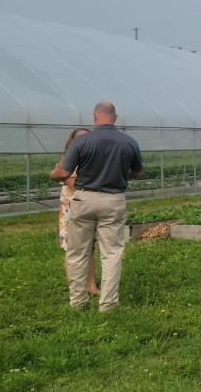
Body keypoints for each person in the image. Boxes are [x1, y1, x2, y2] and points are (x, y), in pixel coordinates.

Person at [50, 102, 143, 312]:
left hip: (84, 199)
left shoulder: (82, 141)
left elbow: (64, 173)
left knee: (77, 253)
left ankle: (78, 302)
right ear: (115, 117)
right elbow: (137, 173)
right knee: (111, 253)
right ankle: (108, 304)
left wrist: (52, 174)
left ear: (94, 117)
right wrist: (120, 172)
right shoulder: (129, 142)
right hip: (114, 200)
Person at [54, 127, 99, 295]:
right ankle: (76, 287)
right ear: (71, 142)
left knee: (89, 248)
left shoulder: (93, 159)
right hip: (72, 209)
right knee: (73, 249)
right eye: (79, 138)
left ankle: (91, 286)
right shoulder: (67, 161)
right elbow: (72, 183)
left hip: (88, 206)